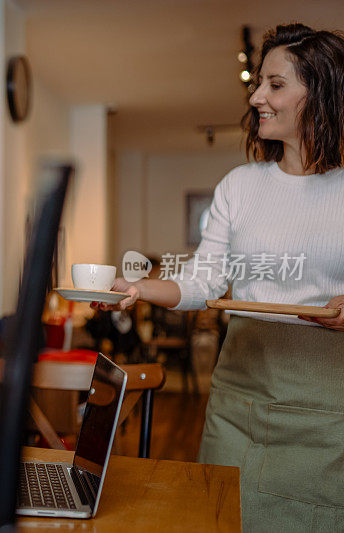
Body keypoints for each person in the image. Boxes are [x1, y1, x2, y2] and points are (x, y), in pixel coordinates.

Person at [98, 24, 344, 532]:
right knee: (222, 517)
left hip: (327, 400)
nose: (257, 97)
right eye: (259, 84)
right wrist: (139, 289)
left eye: (275, 85)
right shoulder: (240, 185)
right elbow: (202, 282)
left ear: (320, 91)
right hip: (239, 394)